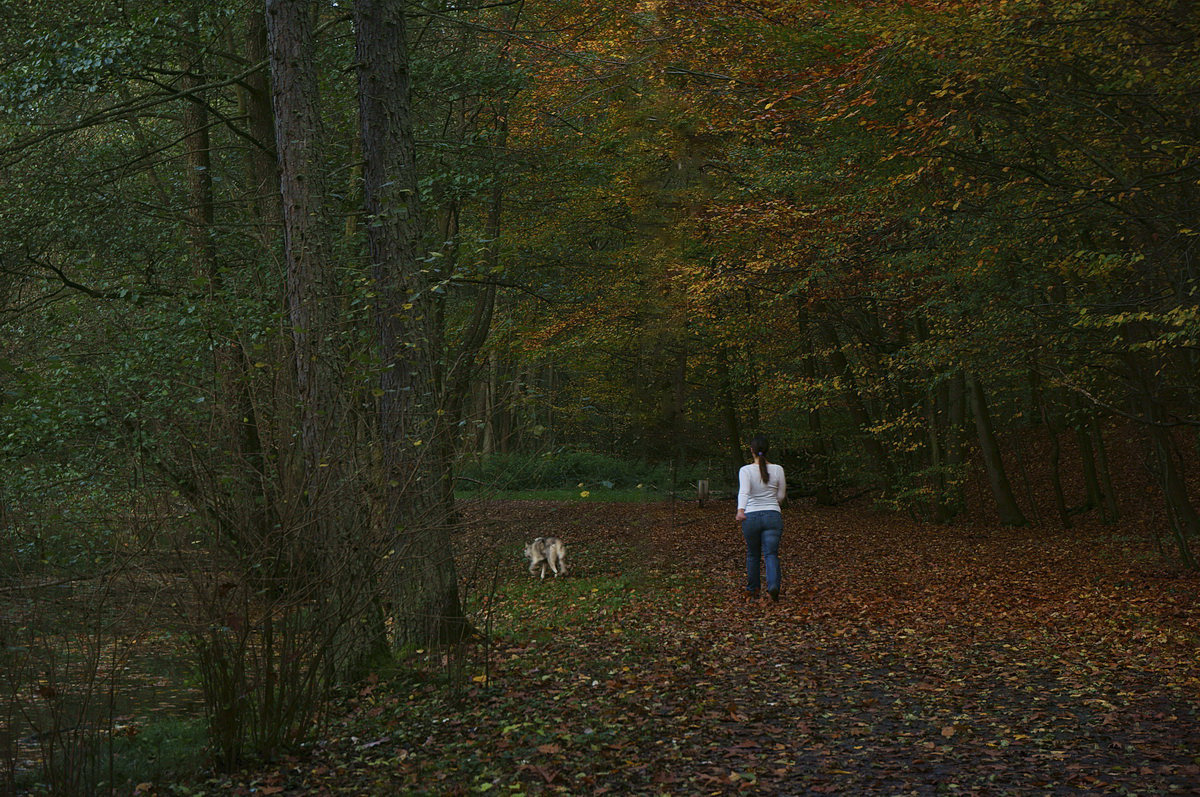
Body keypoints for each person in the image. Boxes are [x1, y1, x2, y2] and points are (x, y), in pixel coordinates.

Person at [736, 434, 786, 601]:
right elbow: (781, 495)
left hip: (751, 516)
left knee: (753, 554)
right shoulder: (778, 469)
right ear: (767, 450)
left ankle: (753, 589)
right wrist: (772, 504)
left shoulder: (745, 470)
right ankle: (773, 585)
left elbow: (744, 492)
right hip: (773, 515)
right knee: (771, 553)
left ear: (751, 450)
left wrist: (741, 510)